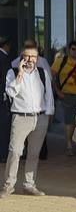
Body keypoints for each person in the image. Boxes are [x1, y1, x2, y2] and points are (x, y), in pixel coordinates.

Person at [1, 42, 55, 197]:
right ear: (21, 57)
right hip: (20, 118)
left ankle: (29, 185)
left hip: (40, 118)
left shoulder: (43, 73)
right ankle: (8, 185)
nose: (31, 59)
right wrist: (20, 74)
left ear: (37, 58)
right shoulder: (12, 72)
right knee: (15, 152)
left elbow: (49, 96)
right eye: (27, 56)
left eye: (34, 56)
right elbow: (11, 92)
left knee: (33, 154)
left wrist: (49, 115)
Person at [51, 39, 76, 156]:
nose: (75, 52)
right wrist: (57, 91)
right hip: (67, 95)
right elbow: (52, 76)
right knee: (69, 121)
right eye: (73, 49)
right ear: (69, 50)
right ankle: (69, 145)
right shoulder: (61, 61)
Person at [0, 36, 11, 162]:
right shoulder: (5, 59)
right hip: (2, 98)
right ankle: (3, 154)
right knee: (3, 125)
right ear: (6, 46)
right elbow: (6, 80)